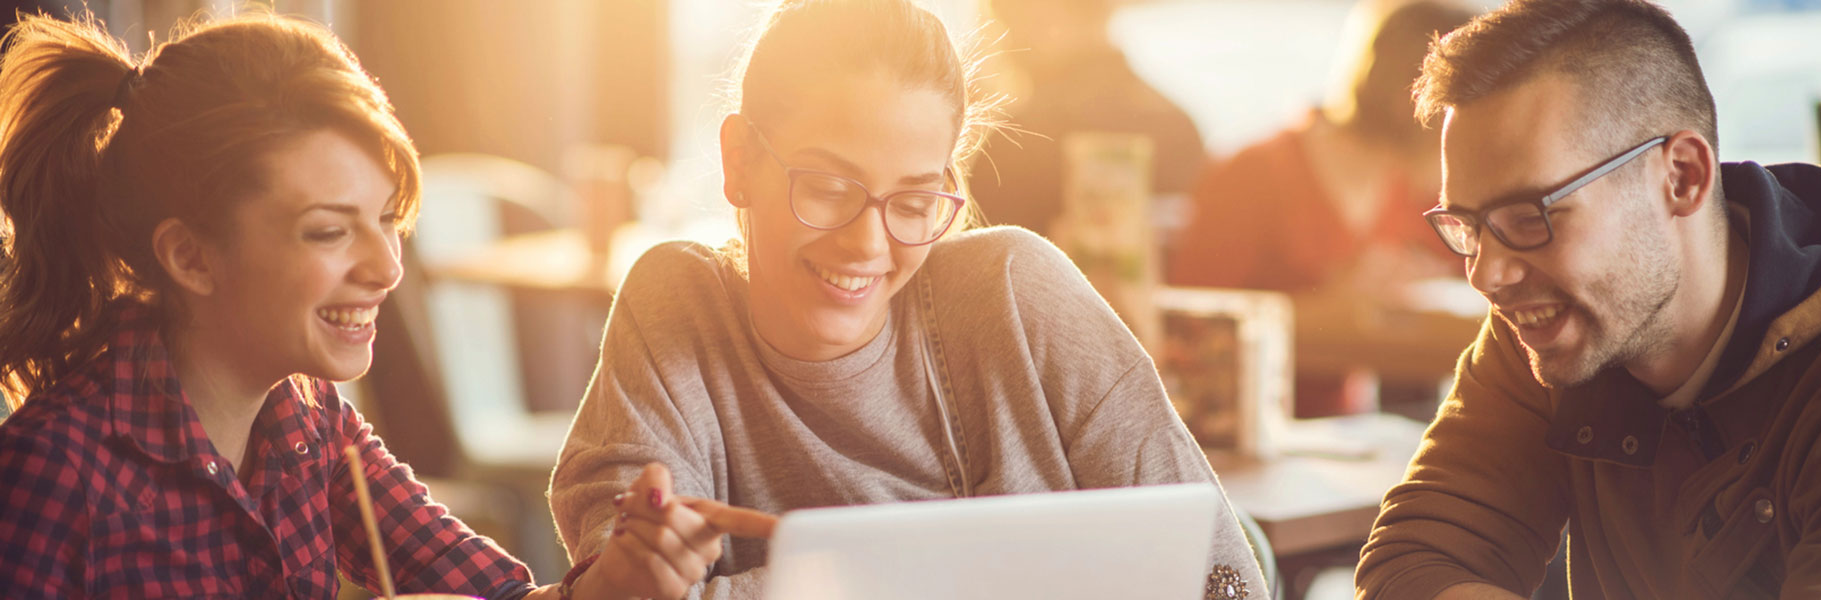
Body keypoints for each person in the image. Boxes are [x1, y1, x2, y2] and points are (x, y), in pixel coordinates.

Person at [547, 1, 1267, 599]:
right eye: (828, 188)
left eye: (915, 201)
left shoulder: (1019, 292)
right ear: (740, 162)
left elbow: (1220, 572)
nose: (869, 244)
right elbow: (621, 570)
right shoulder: (678, 303)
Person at [0, 12, 711, 599]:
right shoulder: (50, 475)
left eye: (389, 220)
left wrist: (617, 584)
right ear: (191, 256)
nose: (387, 268)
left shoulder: (310, 423)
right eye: (330, 231)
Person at [1355, 0, 1821, 598]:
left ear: (1681, 177)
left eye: (1529, 217)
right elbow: (1413, 560)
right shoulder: (1546, 339)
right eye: (1469, 225)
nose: (1486, 275)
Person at [1169, 0, 1475, 418]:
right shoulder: (1252, 174)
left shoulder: (1417, 187)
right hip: (1252, 430)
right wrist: (1329, 306)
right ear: (1421, 98)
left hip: (1350, 430)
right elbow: (1188, 334)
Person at [965, 0, 1207, 237]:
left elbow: (973, 262)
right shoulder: (1179, 125)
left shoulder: (1021, 139)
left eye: (1003, 22)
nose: (1003, 46)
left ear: (1043, 15)